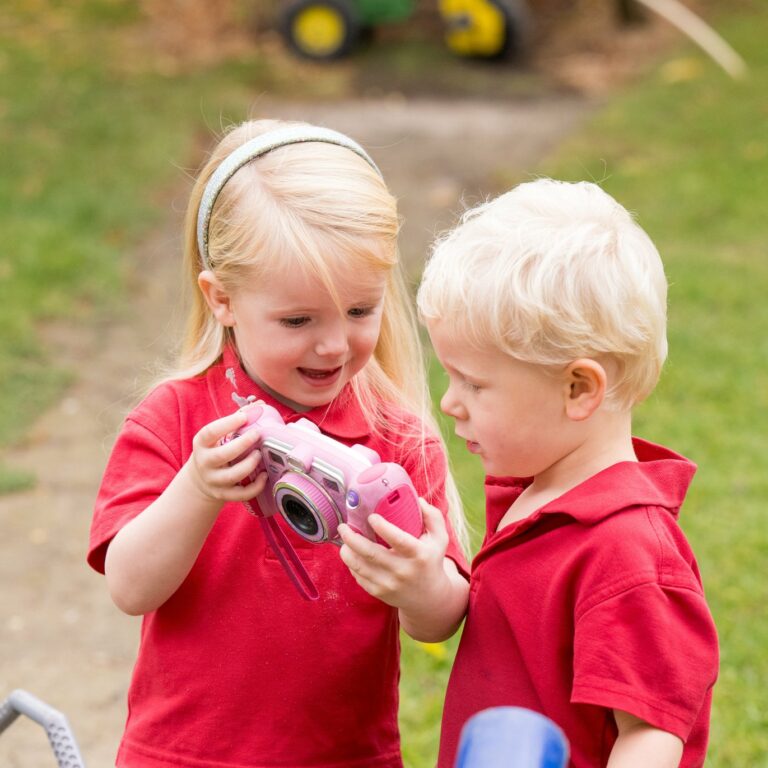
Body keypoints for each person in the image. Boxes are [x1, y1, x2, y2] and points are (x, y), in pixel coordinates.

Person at [88, 119, 470, 768]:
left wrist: (420, 583)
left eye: (360, 311)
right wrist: (197, 488)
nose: (334, 344)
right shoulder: (176, 418)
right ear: (222, 300)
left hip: (345, 757)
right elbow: (130, 588)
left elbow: (440, 620)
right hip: (181, 757)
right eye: (297, 320)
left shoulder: (396, 436)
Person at [415, 179, 719, 768]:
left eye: (474, 383)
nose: (450, 402)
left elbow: (652, 734)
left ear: (578, 388)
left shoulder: (626, 555)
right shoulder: (538, 495)